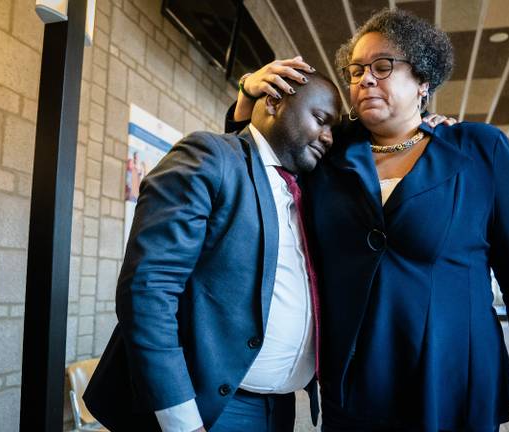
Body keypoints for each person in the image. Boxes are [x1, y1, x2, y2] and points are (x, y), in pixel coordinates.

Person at [229, 8, 509, 432]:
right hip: (353, 383)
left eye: (382, 66)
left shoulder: (479, 150)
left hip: (452, 380)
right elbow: (249, 168)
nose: (364, 79)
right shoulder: (327, 154)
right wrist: (246, 96)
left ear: (423, 81)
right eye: (355, 71)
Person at [83, 72, 342, 432]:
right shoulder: (211, 157)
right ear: (272, 102)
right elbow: (148, 289)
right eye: (320, 120)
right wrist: (182, 421)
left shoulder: (304, 188)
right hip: (208, 410)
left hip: (280, 411)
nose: (329, 137)